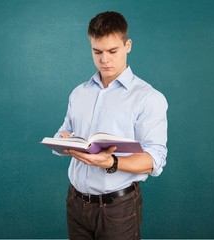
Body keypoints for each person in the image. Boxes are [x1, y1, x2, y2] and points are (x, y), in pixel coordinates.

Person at [53, 11, 168, 240]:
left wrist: (112, 162)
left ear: (128, 45)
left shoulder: (148, 98)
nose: (104, 59)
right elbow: (63, 132)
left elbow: (155, 159)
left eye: (112, 51)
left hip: (118, 209)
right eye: (97, 52)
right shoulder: (79, 93)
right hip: (75, 204)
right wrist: (62, 141)